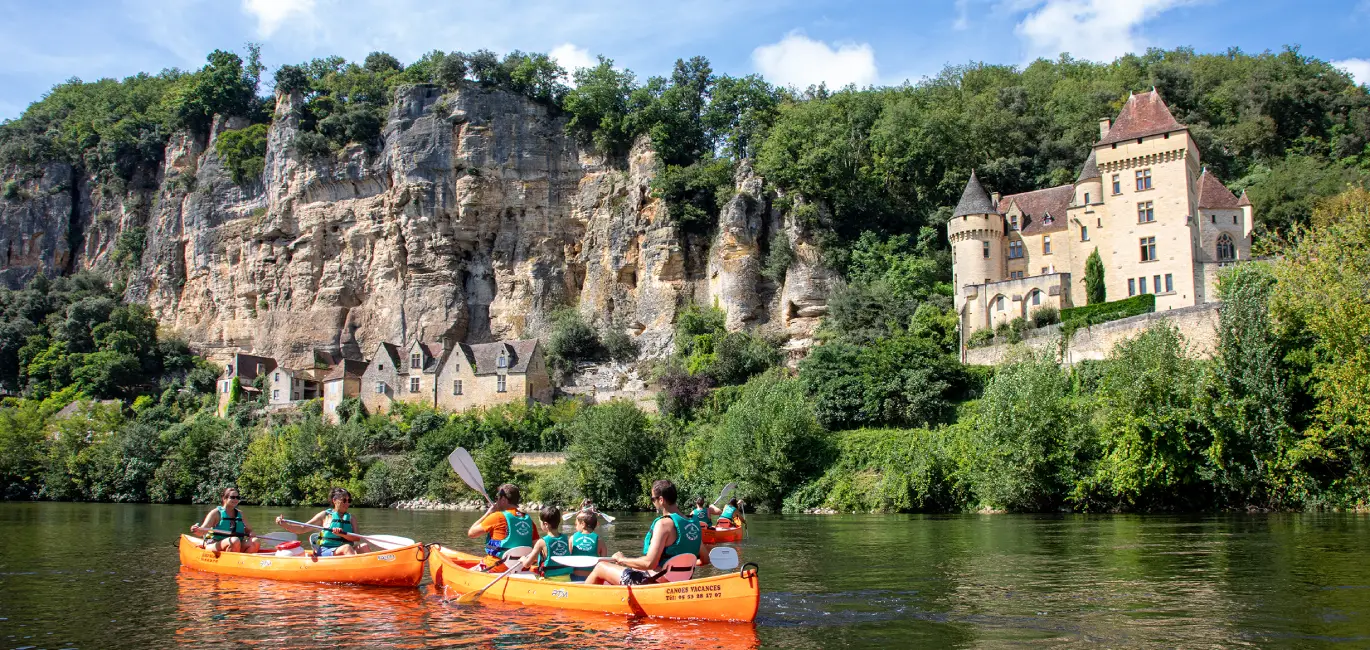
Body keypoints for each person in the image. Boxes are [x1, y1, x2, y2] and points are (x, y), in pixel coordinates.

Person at [584, 479, 706, 586]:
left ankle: (577, 600)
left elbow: (649, 563)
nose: (652, 502)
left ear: (661, 500)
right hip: (682, 581)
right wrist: (682, 566)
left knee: (601, 567)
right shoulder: (693, 523)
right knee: (632, 567)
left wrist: (622, 559)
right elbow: (705, 559)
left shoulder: (663, 524)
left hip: (656, 583)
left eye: (653, 499)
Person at [276, 487, 370, 556]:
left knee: (364, 546)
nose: (347, 503)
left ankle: (371, 572)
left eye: (349, 500)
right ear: (334, 500)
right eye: (344, 500)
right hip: (326, 550)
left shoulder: (351, 518)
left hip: (344, 550)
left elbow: (357, 538)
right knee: (347, 548)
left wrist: (342, 534)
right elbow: (302, 528)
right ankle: (355, 574)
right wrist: (285, 524)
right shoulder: (324, 515)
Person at [466, 483, 535, 571]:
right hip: (521, 567)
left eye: (497, 498)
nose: (496, 501)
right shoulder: (528, 520)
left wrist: (488, 513)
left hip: (496, 567)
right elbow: (535, 546)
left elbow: (471, 533)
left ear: (503, 499)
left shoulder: (497, 517)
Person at [192, 487, 260, 553]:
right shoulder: (216, 513)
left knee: (255, 541)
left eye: (237, 497)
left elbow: (249, 530)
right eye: (232, 497)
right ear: (224, 498)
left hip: (235, 544)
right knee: (234, 540)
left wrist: (251, 533)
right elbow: (202, 531)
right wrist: (196, 530)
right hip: (215, 544)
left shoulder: (240, 514)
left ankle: (243, 562)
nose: (235, 499)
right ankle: (231, 561)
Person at [527, 506, 575, 582]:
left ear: (545, 524)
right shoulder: (566, 538)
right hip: (567, 579)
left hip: (549, 581)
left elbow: (527, 564)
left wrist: (523, 559)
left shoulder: (541, 542)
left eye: (540, 522)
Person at [569, 510, 608, 582]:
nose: (575, 527)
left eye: (576, 524)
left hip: (575, 577)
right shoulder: (600, 541)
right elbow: (604, 563)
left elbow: (568, 559)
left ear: (583, 524)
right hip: (592, 578)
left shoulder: (572, 538)